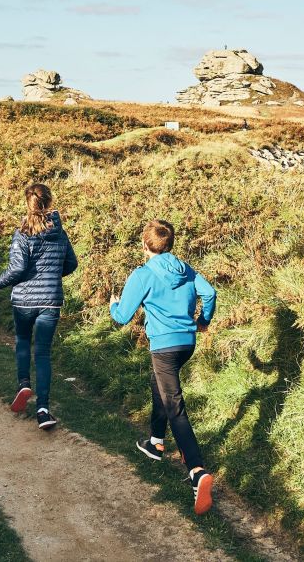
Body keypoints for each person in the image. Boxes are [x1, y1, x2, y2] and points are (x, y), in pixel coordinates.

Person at [110, 219, 216, 514]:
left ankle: (197, 471)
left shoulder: (143, 274)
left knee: (175, 407)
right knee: (158, 386)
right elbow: (210, 293)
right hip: (187, 343)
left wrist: (113, 305)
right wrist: (203, 321)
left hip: (164, 347)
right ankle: (156, 443)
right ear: (170, 244)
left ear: (145, 245)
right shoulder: (186, 269)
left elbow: (122, 316)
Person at [0, 182, 78, 429]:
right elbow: (72, 264)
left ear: (27, 203)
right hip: (50, 301)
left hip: (23, 301)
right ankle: (43, 410)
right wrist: (52, 274)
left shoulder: (22, 232)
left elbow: (18, 268)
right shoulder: (60, 233)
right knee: (42, 353)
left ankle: (23, 384)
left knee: (22, 340)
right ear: (49, 202)